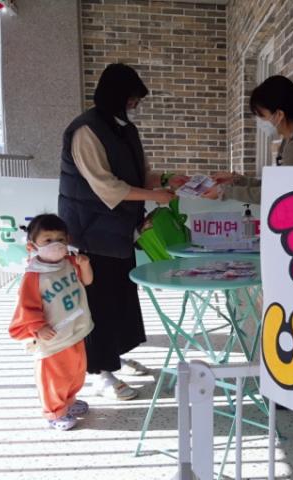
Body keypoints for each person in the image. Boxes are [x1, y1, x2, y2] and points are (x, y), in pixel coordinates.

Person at [58, 63, 187, 400]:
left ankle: (113, 357)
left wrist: (165, 180)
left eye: (137, 101)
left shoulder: (124, 129)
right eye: (131, 100)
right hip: (91, 232)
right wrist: (154, 196)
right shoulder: (85, 131)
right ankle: (100, 373)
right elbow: (107, 187)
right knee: (100, 303)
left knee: (121, 298)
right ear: (115, 96)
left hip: (118, 230)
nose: (134, 106)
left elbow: (137, 176)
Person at [9, 214, 94, 431]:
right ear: (32, 245)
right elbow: (26, 306)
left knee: (75, 370)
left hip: (74, 331)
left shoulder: (69, 263)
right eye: (48, 240)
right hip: (53, 337)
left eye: (60, 239)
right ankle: (54, 412)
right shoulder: (34, 276)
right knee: (54, 376)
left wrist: (84, 265)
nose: (56, 245)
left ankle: (69, 401)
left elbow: (86, 281)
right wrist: (37, 327)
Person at [204, 75, 293, 203]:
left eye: (261, 116)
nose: (259, 121)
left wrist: (224, 191)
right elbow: (276, 185)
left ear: (279, 115)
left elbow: (278, 194)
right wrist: (236, 180)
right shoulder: (292, 140)